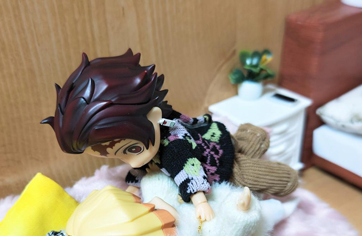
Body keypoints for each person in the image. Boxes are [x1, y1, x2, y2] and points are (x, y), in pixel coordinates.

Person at [41, 49, 298, 221]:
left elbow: (190, 170)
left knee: (243, 173)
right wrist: (132, 187)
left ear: (153, 117)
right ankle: (251, 135)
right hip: (207, 133)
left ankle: (276, 165)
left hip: (216, 156)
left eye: (131, 150)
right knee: (229, 141)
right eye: (117, 155)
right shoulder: (158, 123)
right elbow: (144, 161)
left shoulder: (173, 147)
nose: (130, 160)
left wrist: (200, 202)